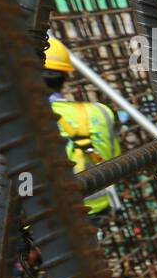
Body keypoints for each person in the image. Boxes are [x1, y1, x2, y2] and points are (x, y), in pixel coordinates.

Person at [43, 36, 121, 220]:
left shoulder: (25, 117)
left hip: (47, 219)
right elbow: (114, 156)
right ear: (65, 76)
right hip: (97, 211)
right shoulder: (101, 112)